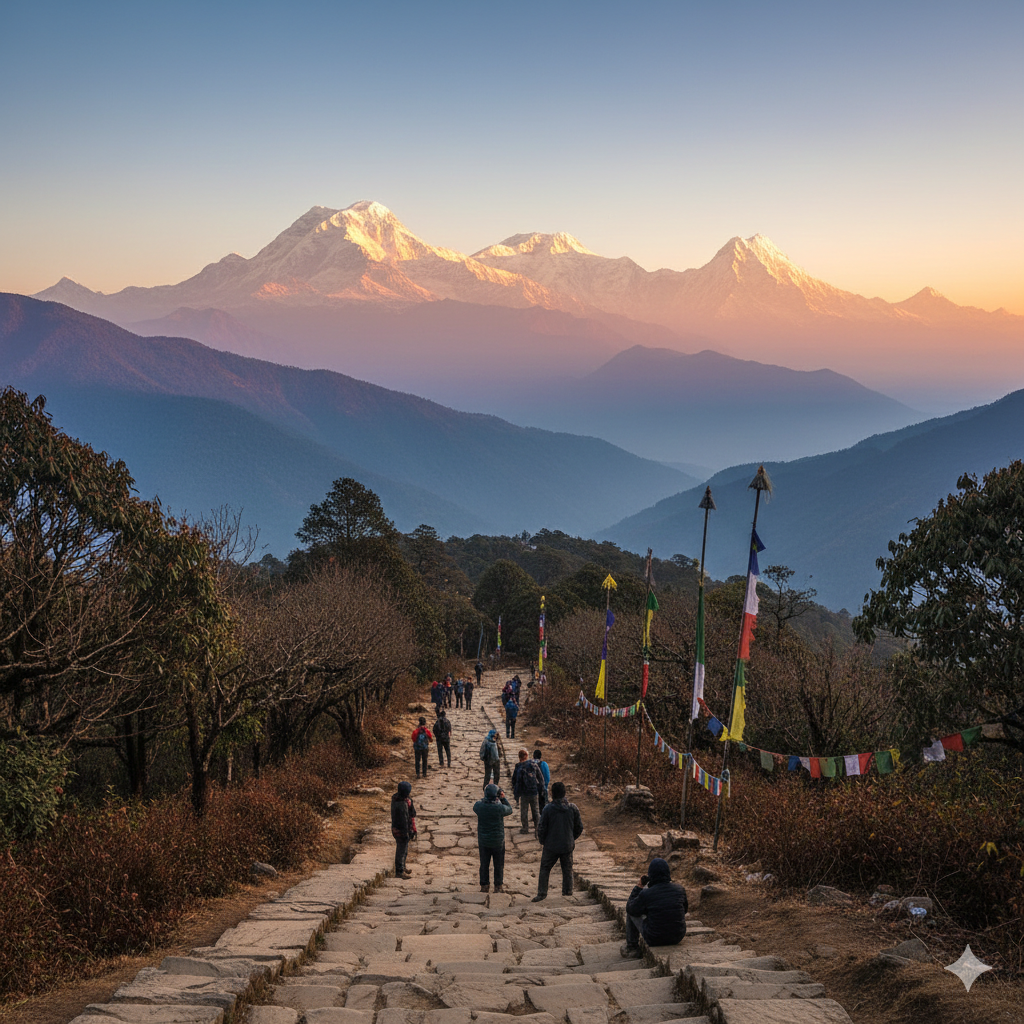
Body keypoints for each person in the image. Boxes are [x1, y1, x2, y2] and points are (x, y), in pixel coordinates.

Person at [621, 857, 688, 957]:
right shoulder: (680, 889)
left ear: (650, 875)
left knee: (632, 910)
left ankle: (632, 948)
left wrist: (638, 887)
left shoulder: (646, 893)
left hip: (655, 938)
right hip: (677, 936)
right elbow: (685, 910)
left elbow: (630, 908)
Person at [532, 781, 583, 901]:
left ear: (552, 794)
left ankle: (542, 893)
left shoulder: (548, 808)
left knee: (545, 868)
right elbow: (579, 827)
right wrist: (571, 837)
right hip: (567, 844)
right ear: (564, 793)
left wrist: (543, 841)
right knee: (567, 869)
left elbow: (542, 827)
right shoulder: (572, 808)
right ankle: (568, 892)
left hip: (551, 845)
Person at [473, 783, 513, 893]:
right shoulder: (500, 807)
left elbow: (476, 805)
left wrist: (487, 797)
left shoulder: (480, 806)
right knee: (499, 865)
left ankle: (484, 885)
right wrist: (503, 798)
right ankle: (498, 886)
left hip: (484, 841)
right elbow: (510, 809)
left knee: (484, 864)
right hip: (498, 841)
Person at [511, 748, 542, 833]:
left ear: (519, 757)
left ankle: (525, 828)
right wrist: (540, 788)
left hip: (524, 792)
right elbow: (540, 777)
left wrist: (516, 790)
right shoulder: (533, 764)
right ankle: (537, 827)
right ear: (527, 756)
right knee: (535, 810)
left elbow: (514, 780)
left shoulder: (518, 767)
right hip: (534, 791)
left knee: (524, 811)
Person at [390, 780, 417, 879]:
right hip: (400, 830)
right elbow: (403, 820)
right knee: (401, 850)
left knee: (404, 849)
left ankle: (403, 866)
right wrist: (407, 832)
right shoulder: (400, 804)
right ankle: (399, 871)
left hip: (403, 828)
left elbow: (411, 813)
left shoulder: (402, 799)